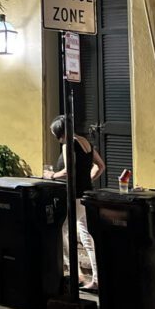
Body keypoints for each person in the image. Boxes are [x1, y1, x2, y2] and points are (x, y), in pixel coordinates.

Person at [43, 114, 105, 290]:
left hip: (73, 195)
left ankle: (76, 274)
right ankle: (97, 279)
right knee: (86, 236)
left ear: (58, 133)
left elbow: (69, 170)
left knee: (62, 232)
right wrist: (88, 180)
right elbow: (100, 166)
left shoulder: (67, 144)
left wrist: (51, 175)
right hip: (85, 194)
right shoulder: (85, 142)